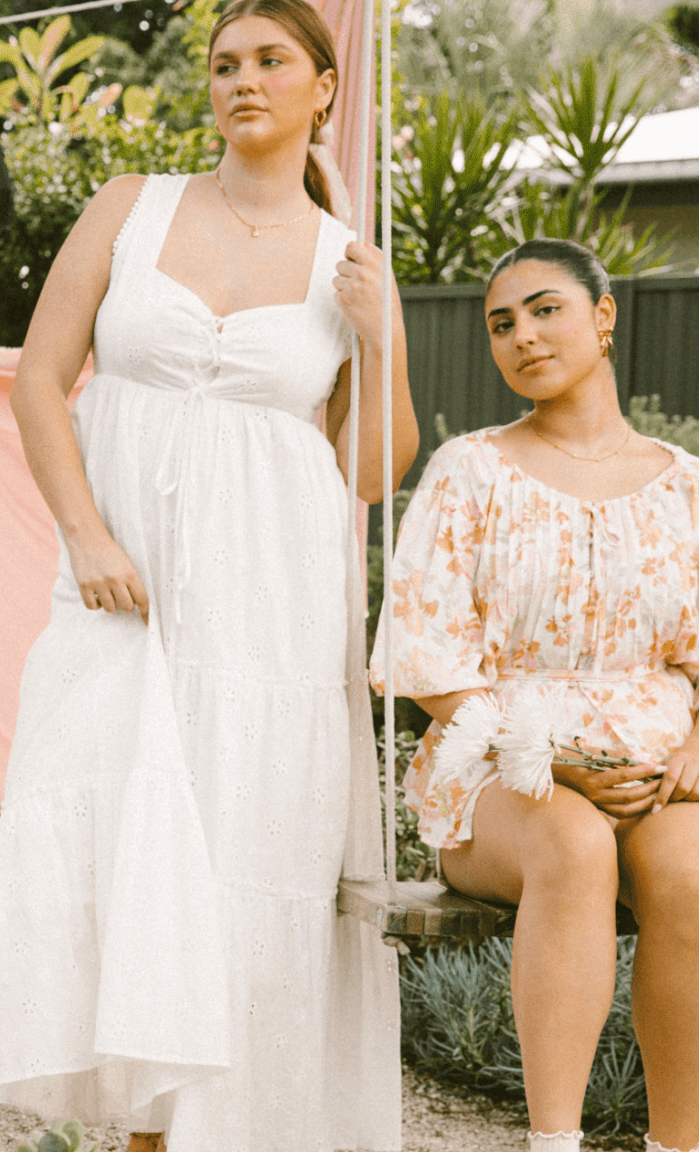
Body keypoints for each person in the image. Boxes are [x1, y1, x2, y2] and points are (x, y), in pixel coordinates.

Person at [0, 1, 416, 1149]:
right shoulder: (132, 205)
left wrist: (382, 336)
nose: (241, 81)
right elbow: (37, 380)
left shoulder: (348, 257)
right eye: (224, 64)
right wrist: (85, 535)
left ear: (323, 89)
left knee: (240, 862)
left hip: (269, 608)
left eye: (271, 61)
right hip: (124, 591)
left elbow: (376, 467)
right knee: (111, 837)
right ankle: (138, 1131)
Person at [372, 238, 699, 1152]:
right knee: (574, 841)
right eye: (501, 324)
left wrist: (694, 750)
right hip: (501, 770)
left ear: (604, 316)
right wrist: (551, 759)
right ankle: (552, 1145)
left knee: (693, 871)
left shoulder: (685, 485)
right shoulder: (468, 470)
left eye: (546, 309)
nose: (522, 335)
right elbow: (429, 660)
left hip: (657, 769)